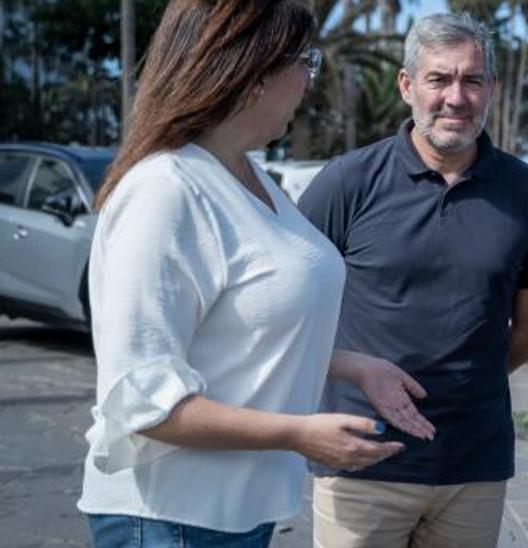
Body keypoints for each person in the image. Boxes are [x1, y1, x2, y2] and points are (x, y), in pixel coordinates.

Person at [78, 1, 409, 545]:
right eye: (305, 61)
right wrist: (299, 434)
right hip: (170, 516)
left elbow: (241, 332)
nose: (309, 81)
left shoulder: (249, 176)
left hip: (237, 512)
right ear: (253, 73)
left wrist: (351, 366)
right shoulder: (167, 189)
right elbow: (144, 403)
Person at [296, 13, 528, 548]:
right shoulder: (346, 182)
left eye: (471, 80)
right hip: (362, 458)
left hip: (473, 465)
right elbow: (287, 308)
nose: (456, 97)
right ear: (406, 86)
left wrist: (467, 381)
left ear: (490, 88)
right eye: (438, 79)